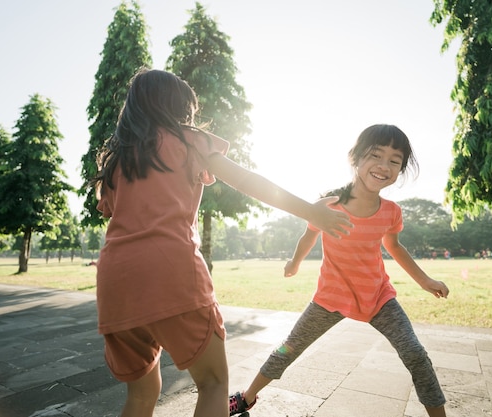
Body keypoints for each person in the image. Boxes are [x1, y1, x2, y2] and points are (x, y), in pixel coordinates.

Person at [91, 68, 353, 417]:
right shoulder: (188, 140)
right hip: (170, 269)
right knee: (213, 382)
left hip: (115, 282)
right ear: (174, 107)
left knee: (141, 393)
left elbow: (115, 212)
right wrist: (310, 211)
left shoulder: (117, 162)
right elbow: (248, 181)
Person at [229, 124, 449, 417]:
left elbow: (394, 247)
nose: (384, 166)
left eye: (394, 161)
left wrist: (425, 280)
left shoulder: (391, 212)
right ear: (356, 158)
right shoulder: (328, 206)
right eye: (376, 155)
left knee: (415, 354)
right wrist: (294, 262)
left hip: (378, 297)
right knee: (289, 348)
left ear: (400, 170)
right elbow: (308, 236)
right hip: (330, 297)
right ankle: (247, 396)